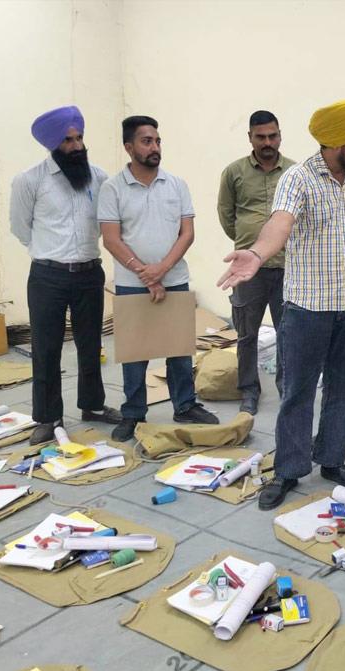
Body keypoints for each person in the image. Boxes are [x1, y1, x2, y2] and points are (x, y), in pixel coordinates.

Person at [216, 99, 345, 510]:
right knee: (296, 393)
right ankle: (289, 470)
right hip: (306, 309)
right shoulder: (298, 178)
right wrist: (257, 255)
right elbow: (280, 223)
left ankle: (331, 460)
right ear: (334, 141)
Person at [99, 115, 218, 441]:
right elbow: (111, 238)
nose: (154, 147)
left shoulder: (176, 184)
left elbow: (187, 233)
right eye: (146, 141)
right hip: (131, 283)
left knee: (179, 350)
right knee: (135, 354)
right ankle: (134, 413)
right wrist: (146, 273)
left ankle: (185, 405)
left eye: (157, 140)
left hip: (174, 278)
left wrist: (161, 270)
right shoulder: (112, 188)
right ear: (129, 147)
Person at [9, 105, 122, 445]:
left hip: (89, 273)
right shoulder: (29, 181)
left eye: (79, 138)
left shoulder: (99, 177)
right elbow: (20, 228)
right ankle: (47, 417)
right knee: (46, 348)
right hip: (48, 276)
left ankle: (93, 405)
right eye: (68, 141)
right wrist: (50, 253)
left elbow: (109, 222)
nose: (77, 146)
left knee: (91, 343)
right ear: (53, 145)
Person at [217, 110, 296, 416]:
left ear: (280, 136)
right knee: (247, 334)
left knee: (288, 335)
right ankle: (249, 390)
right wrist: (247, 241)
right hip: (247, 272)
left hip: (288, 268)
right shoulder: (234, 172)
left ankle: (287, 389)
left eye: (273, 136)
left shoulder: (293, 172)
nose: (267, 142)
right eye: (261, 137)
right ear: (250, 137)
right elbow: (226, 215)